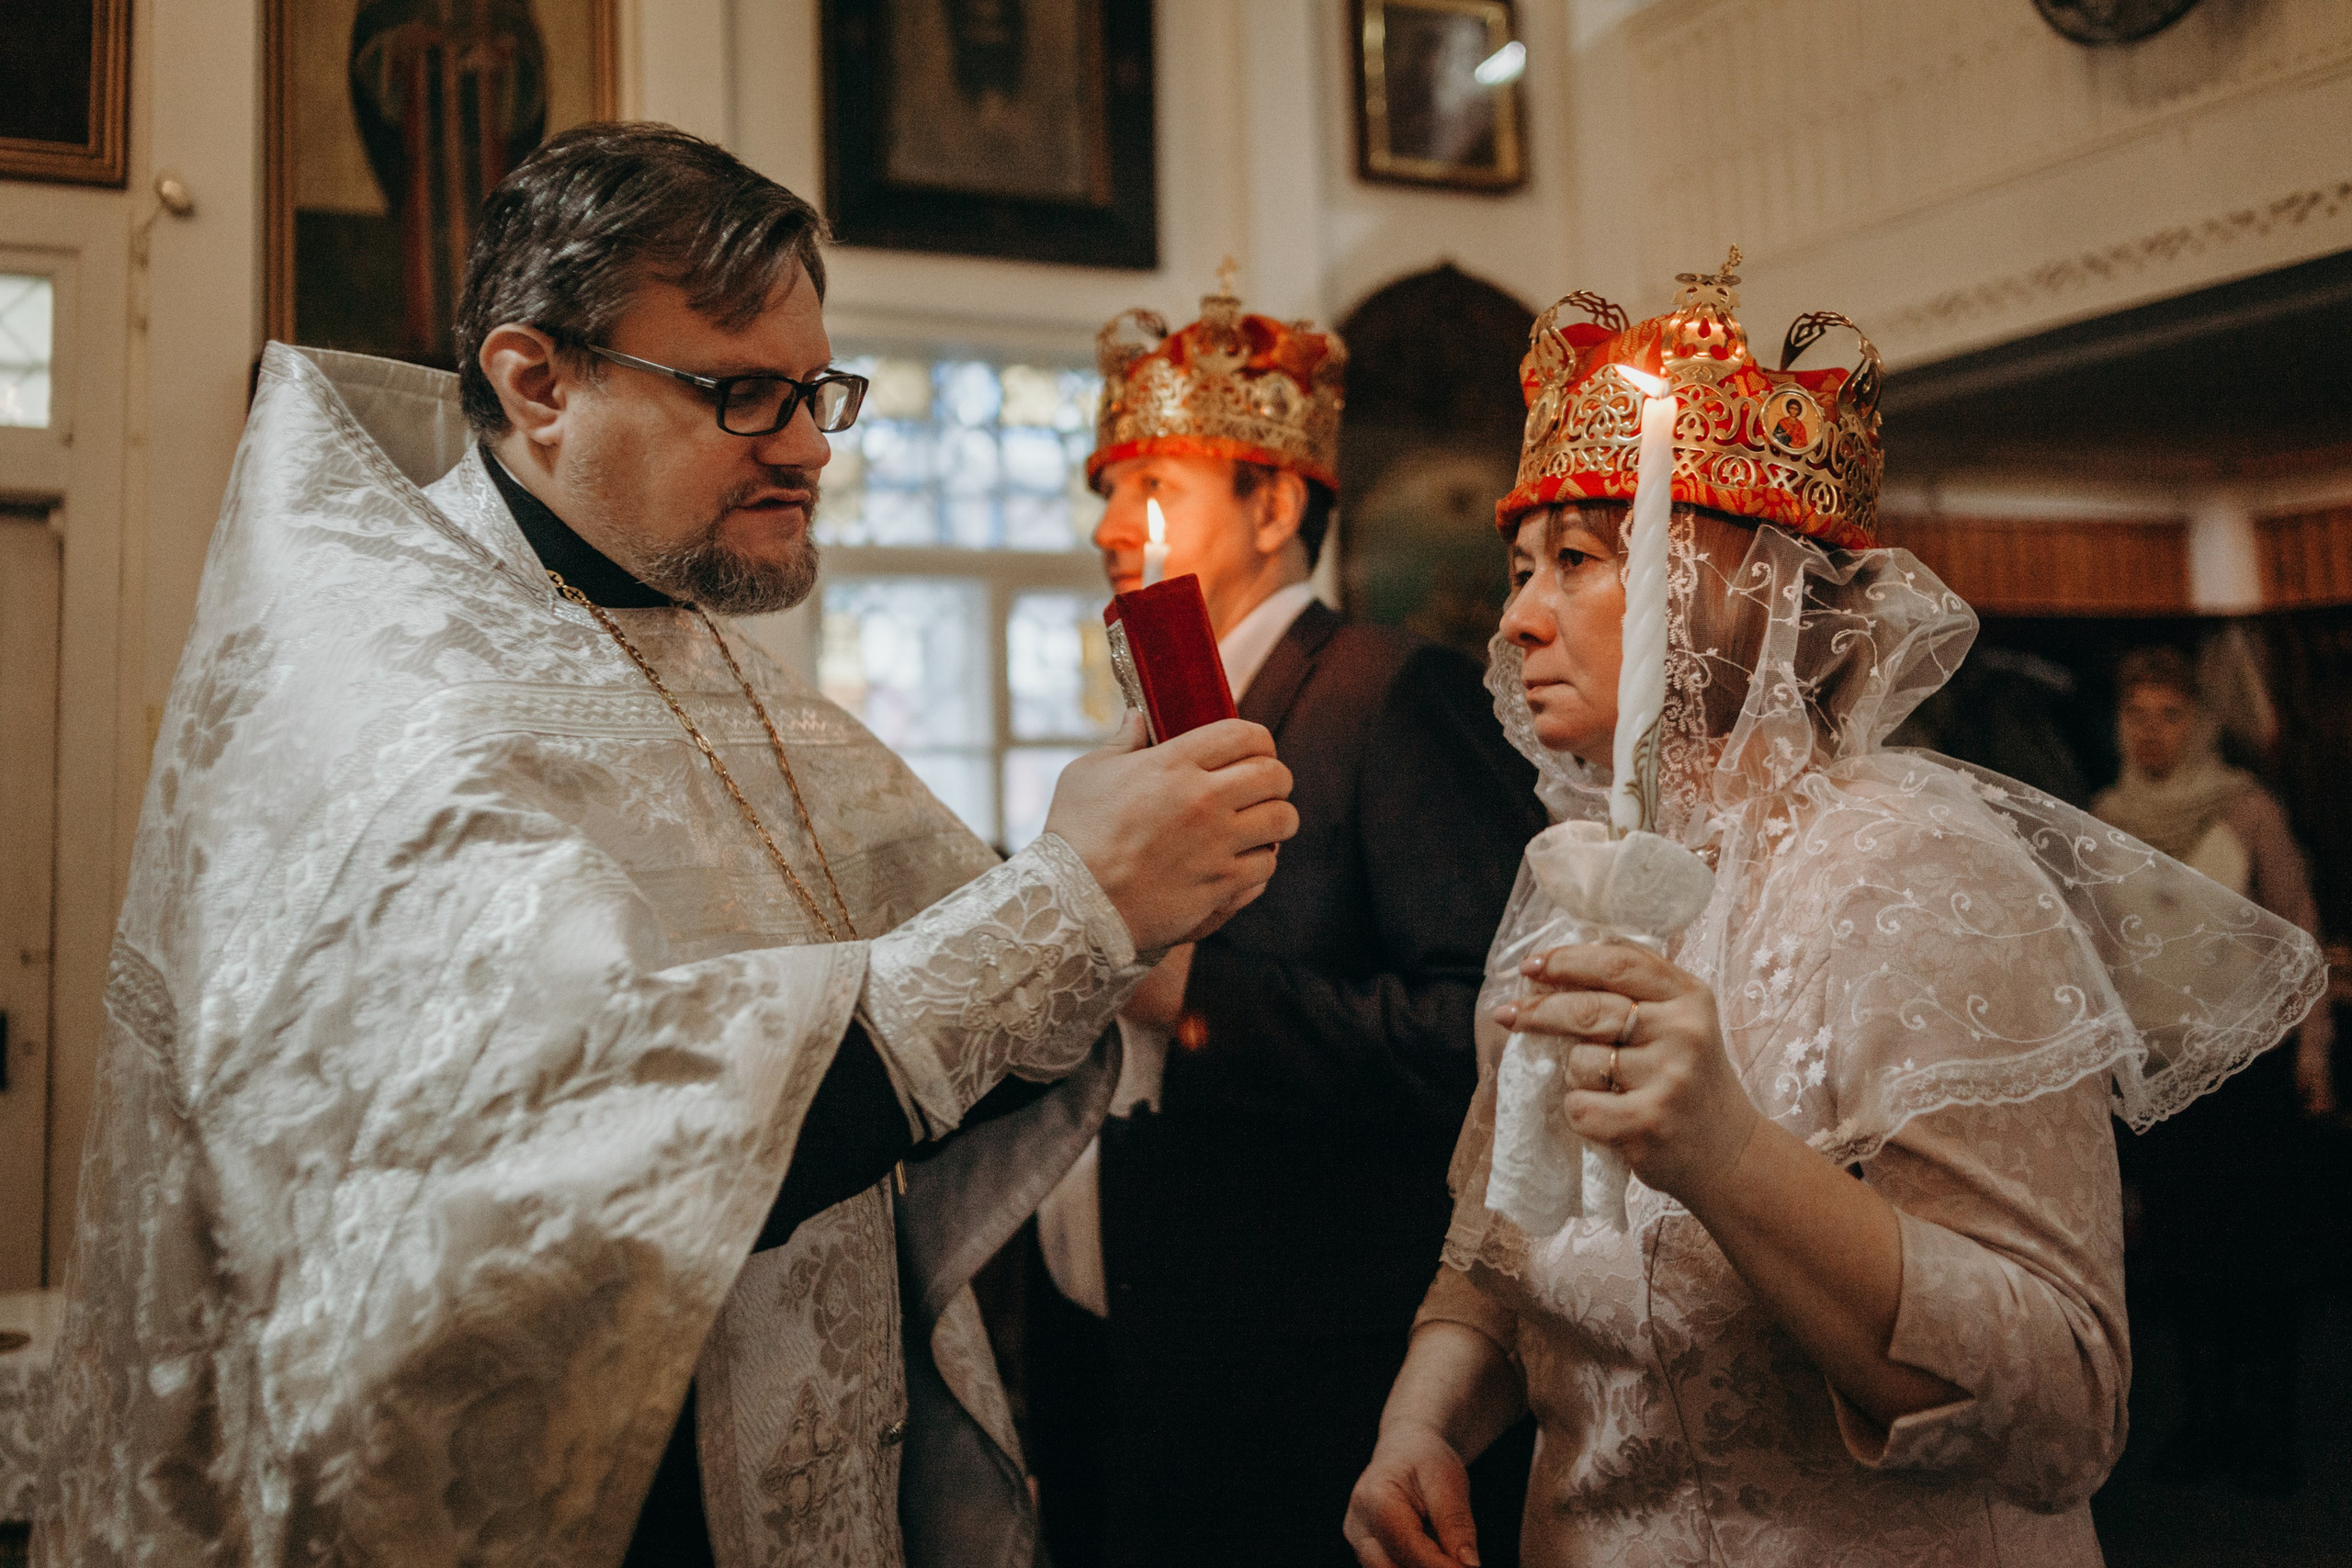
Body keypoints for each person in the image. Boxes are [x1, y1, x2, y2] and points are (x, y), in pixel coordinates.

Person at [35, 125, 1297, 1568]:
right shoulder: (389, 688)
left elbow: (944, 988)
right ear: (537, 379)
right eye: (745, 394)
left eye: (819, 389)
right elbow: (572, 1153)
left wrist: (1111, 883)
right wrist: (1073, 905)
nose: (814, 446)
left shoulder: (695, 649)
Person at [1342, 263, 2327, 1567]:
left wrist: (1727, 1152)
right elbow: (1501, 1226)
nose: (1516, 617)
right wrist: (1424, 1414)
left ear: (1756, 586)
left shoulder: (1920, 869)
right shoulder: (1575, 873)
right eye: (1520, 566)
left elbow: (2069, 1400)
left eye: (1578, 558)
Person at [1022, 278, 1544, 1567]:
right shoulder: (1144, 717)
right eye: (1106, 488)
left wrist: (1190, 991)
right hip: (1118, 1336)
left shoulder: (1382, 692)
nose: (1111, 524)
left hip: (1300, 1356)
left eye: (1155, 487)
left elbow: (1477, 1029)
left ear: (1274, 503)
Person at [2094, 644, 2335, 1492]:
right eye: (2138, 716)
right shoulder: (2104, 817)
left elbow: (2299, 933)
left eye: (2169, 716)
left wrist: (2314, 1052)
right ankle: (2205, 1425)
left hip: (2249, 1071)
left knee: (2257, 1258)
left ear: (2196, 725)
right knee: (2186, 1259)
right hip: (2159, 1077)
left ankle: (2269, 1435)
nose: (2153, 732)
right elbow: (2098, 958)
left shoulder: (2246, 810)